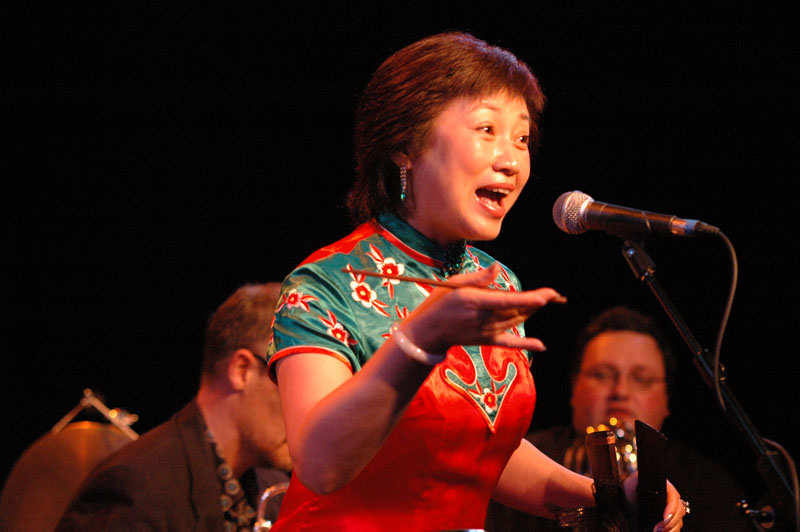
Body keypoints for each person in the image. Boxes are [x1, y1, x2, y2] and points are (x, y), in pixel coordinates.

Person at [266, 32, 686, 531]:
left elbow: (480, 455)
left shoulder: (498, 283)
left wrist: (608, 495)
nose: (510, 160)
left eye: (522, 138)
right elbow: (320, 467)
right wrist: (420, 340)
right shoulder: (326, 286)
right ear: (405, 145)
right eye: (486, 129)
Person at [485, 306, 751, 531]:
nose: (620, 392)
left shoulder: (707, 485)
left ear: (667, 400)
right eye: (601, 375)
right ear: (573, 389)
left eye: (642, 380)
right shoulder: (509, 459)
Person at [56, 283, 292, 532]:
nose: (305, 405)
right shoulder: (136, 490)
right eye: (290, 381)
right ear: (242, 370)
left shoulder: (273, 488)